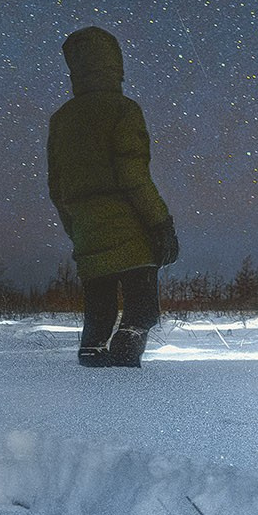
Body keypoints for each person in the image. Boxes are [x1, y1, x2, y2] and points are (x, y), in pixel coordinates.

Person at [46, 24, 179, 367]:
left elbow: (56, 188)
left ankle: (95, 380)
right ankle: (125, 391)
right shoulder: (122, 109)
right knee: (141, 313)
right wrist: (160, 222)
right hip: (129, 232)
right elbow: (133, 175)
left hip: (87, 232)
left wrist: (76, 228)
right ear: (114, 63)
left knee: (98, 320)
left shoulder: (61, 120)